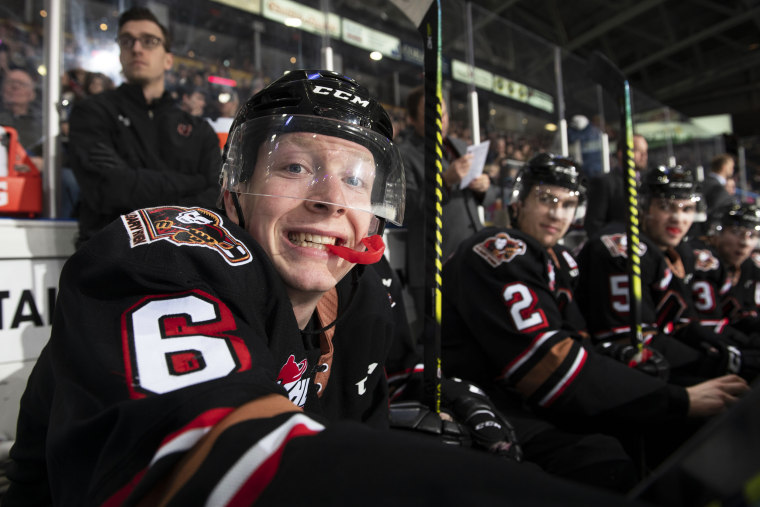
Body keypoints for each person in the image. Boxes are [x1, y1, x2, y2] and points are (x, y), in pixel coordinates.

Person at [4, 70, 635, 506]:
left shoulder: (363, 286)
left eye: (357, 180)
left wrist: (428, 389)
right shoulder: (167, 255)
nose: (331, 199)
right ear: (233, 191)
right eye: (296, 166)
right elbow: (218, 466)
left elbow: (357, 399)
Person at [440, 153, 749, 486]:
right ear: (519, 202)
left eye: (568, 203)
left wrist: (619, 361)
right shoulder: (501, 250)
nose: (557, 213)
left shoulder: (557, 260)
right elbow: (552, 369)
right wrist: (676, 399)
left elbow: (577, 345)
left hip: (530, 400)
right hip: (488, 407)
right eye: (546, 200)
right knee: (605, 459)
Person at [577, 164, 759, 384]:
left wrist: (730, 350)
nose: (678, 218)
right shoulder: (622, 250)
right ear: (643, 206)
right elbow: (632, 343)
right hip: (616, 375)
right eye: (666, 206)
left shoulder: (678, 252)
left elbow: (681, 323)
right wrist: (715, 363)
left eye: (686, 209)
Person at [67, 6, 220, 247]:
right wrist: (193, 182)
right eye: (127, 41)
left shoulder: (198, 129)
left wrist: (134, 181)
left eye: (149, 41)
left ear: (168, 59)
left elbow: (215, 195)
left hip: (186, 257)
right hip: (109, 258)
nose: (136, 48)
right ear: (120, 54)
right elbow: (106, 189)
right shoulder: (92, 112)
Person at [398, 85, 497, 339]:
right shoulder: (404, 154)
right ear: (411, 119)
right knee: (441, 341)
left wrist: (484, 187)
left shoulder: (459, 146)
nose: (438, 121)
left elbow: (488, 199)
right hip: (434, 264)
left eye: (442, 114)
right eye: (429, 114)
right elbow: (404, 209)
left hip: (473, 253)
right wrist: (445, 180)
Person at [584, 134, 648, 237]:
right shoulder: (604, 182)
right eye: (638, 151)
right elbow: (593, 225)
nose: (644, 155)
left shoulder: (648, 183)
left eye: (645, 151)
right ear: (621, 153)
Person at [0, 67, 43, 169]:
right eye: (10, 82)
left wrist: (44, 162)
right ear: (2, 90)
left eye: (21, 84)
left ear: (32, 94)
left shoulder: (42, 124)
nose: (15, 86)